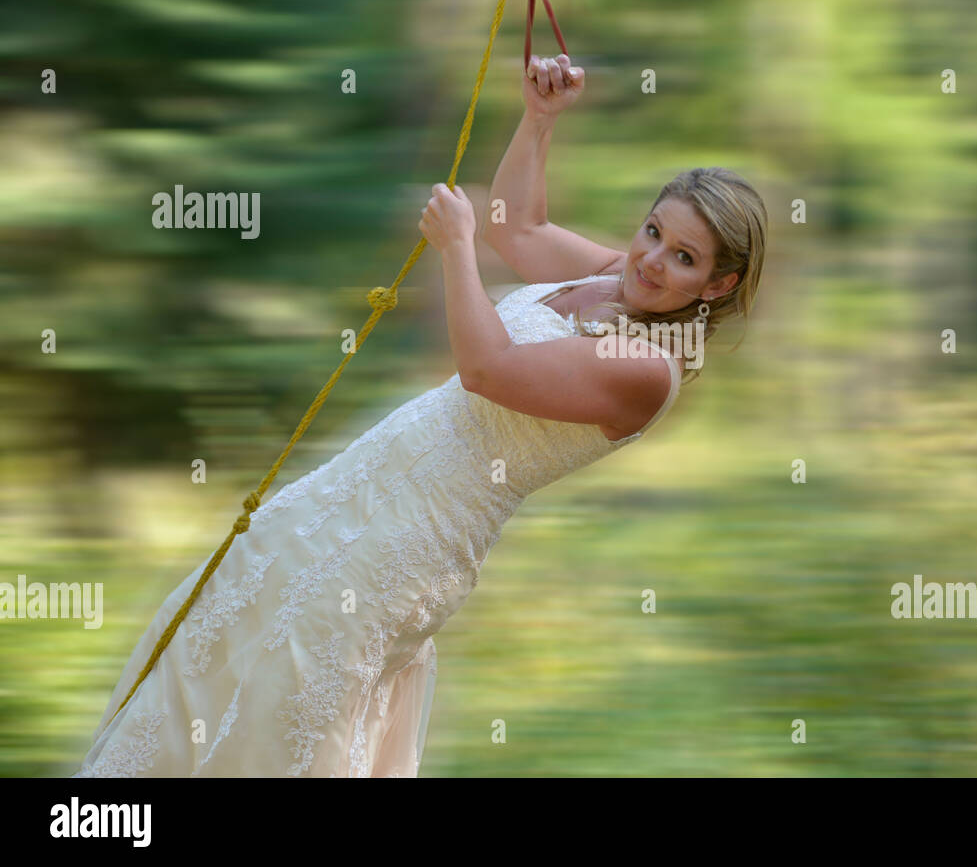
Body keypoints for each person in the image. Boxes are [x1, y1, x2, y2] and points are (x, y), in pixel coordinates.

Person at [71, 53, 767, 777]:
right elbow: (518, 228)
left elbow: (489, 368)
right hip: (369, 477)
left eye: (684, 257)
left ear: (718, 283)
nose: (652, 260)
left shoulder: (649, 368)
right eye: (653, 231)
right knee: (233, 615)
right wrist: (539, 118)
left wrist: (454, 249)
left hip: (417, 537)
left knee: (296, 680)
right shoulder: (612, 278)